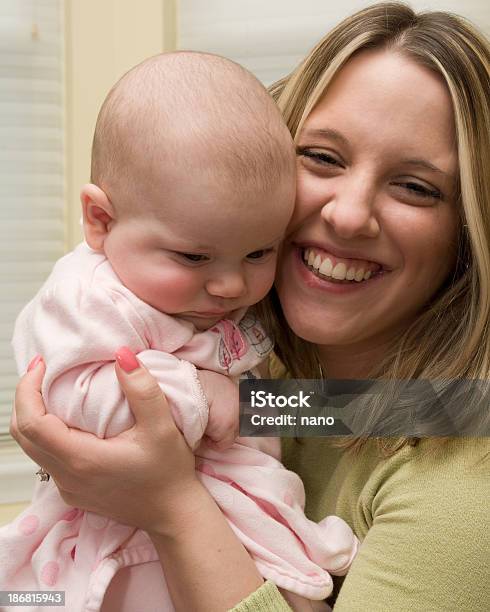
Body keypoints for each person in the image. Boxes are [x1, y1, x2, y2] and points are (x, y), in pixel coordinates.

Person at [9, 2, 490, 611]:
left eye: (416, 187)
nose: (347, 213)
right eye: (322, 157)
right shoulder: (271, 373)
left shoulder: (466, 475)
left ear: (470, 229)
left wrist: (173, 508)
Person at [0, 53, 358, 611]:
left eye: (416, 186)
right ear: (100, 221)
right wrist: (203, 398)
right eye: (324, 158)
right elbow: (74, 395)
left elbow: (407, 410)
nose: (231, 285)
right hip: (113, 550)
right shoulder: (96, 300)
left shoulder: (443, 434)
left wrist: (233, 416)